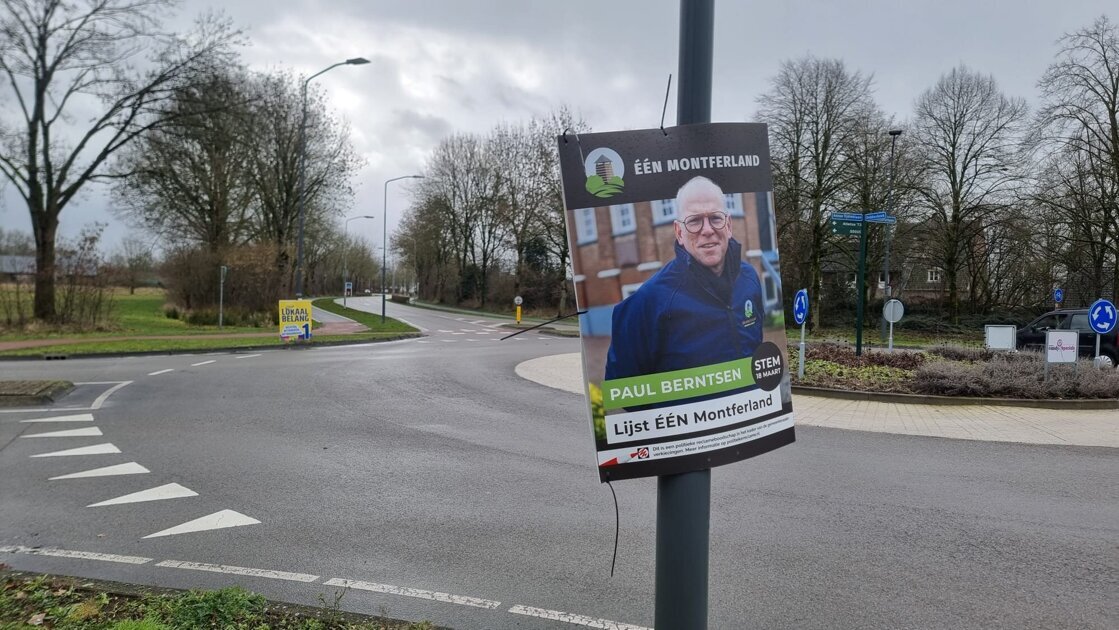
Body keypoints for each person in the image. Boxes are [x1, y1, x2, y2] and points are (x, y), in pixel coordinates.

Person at [604, 176, 764, 381]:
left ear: (729, 225)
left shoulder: (750, 279)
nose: (707, 230)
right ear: (679, 232)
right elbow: (623, 387)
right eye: (694, 221)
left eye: (715, 218)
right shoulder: (648, 300)